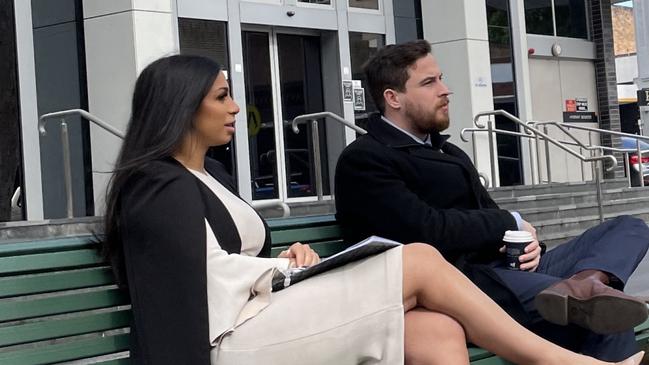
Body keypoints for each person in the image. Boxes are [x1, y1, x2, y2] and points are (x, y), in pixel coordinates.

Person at [101, 54, 644, 365]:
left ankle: (586, 292)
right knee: (422, 259)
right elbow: (189, 286)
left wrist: (285, 258)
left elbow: (222, 258)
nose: (236, 106)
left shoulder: (207, 176)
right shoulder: (154, 184)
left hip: (262, 311)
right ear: (180, 104)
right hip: (228, 339)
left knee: (434, 334)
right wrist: (275, 271)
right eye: (222, 95)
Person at [334, 39, 649, 362]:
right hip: (467, 286)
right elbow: (425, 230)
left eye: (441, 78)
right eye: (430, 82)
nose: (445, 90)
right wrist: (509, 223)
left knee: (630, 227)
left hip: (511, 269)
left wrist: (525, 243)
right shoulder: (366, 159)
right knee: (609, 318)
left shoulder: (449, 151)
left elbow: (489, 215)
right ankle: (585, 293)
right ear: (392, 97)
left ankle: (585, 283)